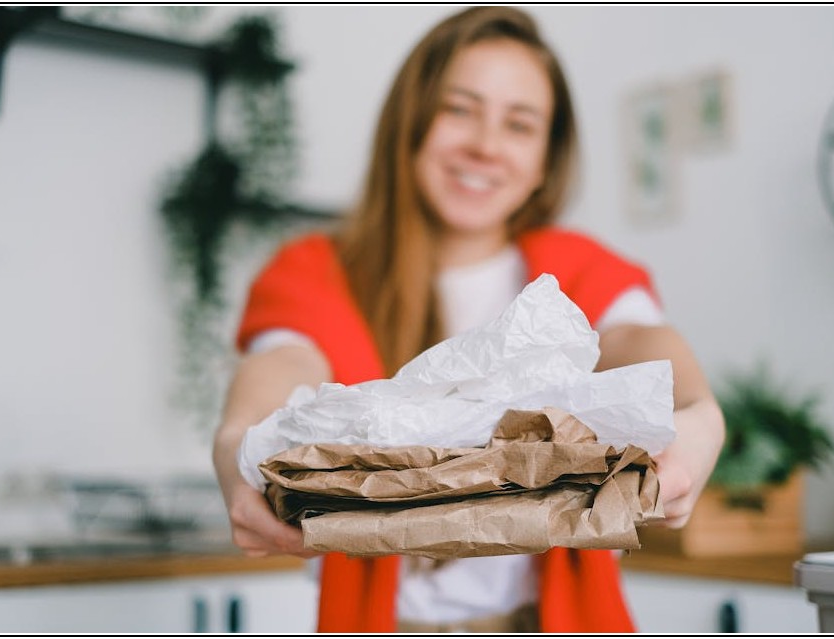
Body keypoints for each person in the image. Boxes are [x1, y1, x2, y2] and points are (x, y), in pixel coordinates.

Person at [213, 6, 725, 634]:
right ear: (410, 122)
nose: (485, 145)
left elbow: (638, 339)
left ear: (544, 158)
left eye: (519, 124)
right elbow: (282, 364)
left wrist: (700, 416)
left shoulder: (577, 272)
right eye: (459, 108)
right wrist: (237, 444)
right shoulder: (315, 271)